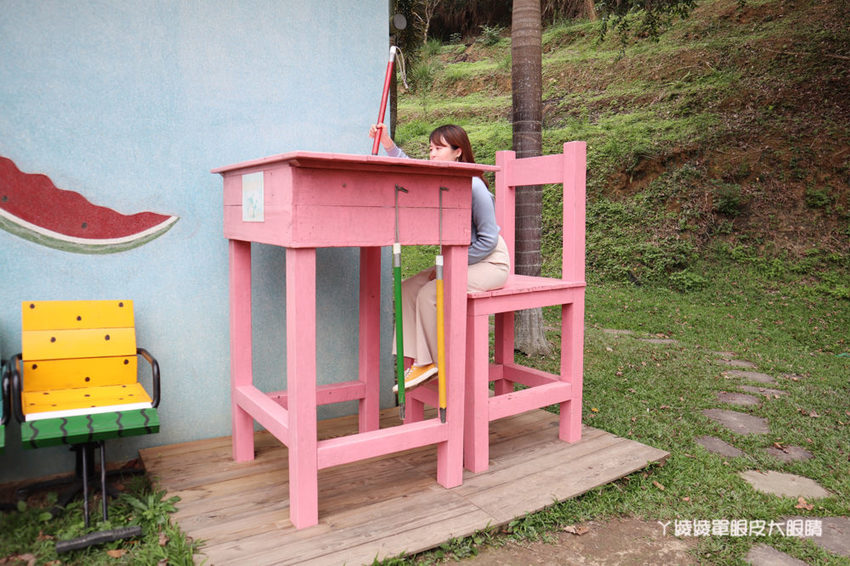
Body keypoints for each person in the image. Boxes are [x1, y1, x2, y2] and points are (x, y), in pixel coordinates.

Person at [369, 123, 510, 391]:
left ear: (458, 152)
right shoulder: (439, 181)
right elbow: (413, 168)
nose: (432, 154)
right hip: (457, 259)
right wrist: (387, 143)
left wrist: (449, 266)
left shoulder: (474, 185)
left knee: (430, 293)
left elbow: (489, 240)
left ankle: (431, 362)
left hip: (490, 262)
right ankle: (418, 362)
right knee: (407, 289)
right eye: (430, 149)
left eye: (439, 148)